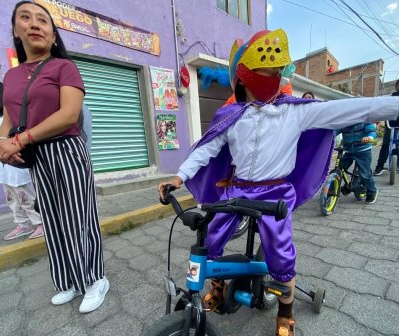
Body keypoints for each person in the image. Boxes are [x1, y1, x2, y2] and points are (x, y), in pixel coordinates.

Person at [157, 28, 399, 336]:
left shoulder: (294, 113)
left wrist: (394, 105)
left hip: (274, 193)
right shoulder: (231, 115)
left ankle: (286, 313)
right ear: (243, 76)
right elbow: (206, 149)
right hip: (236, 190)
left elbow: (359, 107)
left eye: (276, 72)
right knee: (210, 238)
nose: (273, 78)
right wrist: (179, 177)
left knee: (282, 256)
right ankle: (217, 289)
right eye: (265, 72)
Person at [0, 1, 108, 313]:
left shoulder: (63, 67)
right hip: (38, 155)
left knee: (78, 217)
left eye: (43, 21)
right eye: (26, 18)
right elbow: (8, 117)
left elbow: (69, 115)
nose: (35, 24)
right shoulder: (12, 77)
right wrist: (2, 145)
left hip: (67, 149)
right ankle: (69, 280)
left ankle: (96, 278)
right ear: (16, 30)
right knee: (54, 220)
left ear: (53, 36)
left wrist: (17, 141)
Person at [0, 79, 43, 240]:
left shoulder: (6, 118)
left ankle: (40, 224)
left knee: (25, 197)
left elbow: (14, 141)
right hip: (1, 168)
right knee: (11, 199)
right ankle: (23, 225)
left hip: (13, 168)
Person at [336, 122, 378, 202]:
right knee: (339, 168)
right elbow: (334, 131)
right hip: (348, 151)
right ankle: (336, 187)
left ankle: (371, 191)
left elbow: (372, 131)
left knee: (365, 174)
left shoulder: (364, 120)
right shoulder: (343, 122)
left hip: (363, 150)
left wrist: (369, 137)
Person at [374, 79, 399, 175]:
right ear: (396, 86)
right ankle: (379, 167)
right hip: (391, 125)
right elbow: (384, 108)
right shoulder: (391, 98)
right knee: (386, 144)